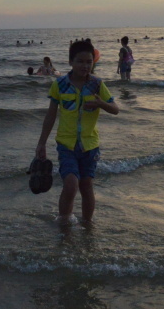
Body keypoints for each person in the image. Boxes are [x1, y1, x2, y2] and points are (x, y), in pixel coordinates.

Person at [35, 40, 119, 226]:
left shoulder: (97, 84)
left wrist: (100, 104)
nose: (85, 65)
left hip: (90, 145)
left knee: (86, 185)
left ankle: (88, 225)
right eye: (80, 61)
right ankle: (64, 223)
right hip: (66, 144)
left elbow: (115, 109)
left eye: (89, 62)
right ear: (71, 62)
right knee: (71, 184)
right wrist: (41, 143)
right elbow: (50, 116)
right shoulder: (60, 85)